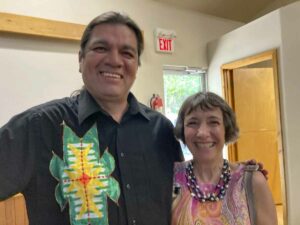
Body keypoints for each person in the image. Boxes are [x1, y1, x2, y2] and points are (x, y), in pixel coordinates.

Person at [0, 11, 183, 225]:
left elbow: (180, 203)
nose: (114, 60)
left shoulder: (161, 130)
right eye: (100, 48)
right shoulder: (37, 128)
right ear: (80, 59)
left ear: (136, 66)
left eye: (127, 53)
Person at [171, 92, 277, 225]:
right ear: (183, 130)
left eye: (213, 122)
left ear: (226, 129)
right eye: (193, 123)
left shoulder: (251, 181)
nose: (202, 133)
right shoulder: (170, 179)